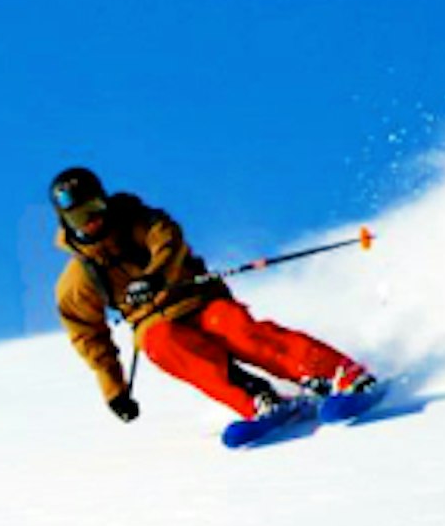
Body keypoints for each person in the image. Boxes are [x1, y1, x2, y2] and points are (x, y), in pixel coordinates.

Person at [48, 166, 373, 424]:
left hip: (199, 300)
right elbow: (88, 335)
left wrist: (155, 277)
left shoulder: (139, 221)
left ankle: (336, 373)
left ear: (104, 201)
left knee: (235, 329)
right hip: (155, 324)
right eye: (78, 217)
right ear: (65, 222)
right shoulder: (78, 282)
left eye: (93, 209)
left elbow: (169, 241)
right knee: (161, 345)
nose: (90, 223)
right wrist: (114, 390)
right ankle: (257, 399)